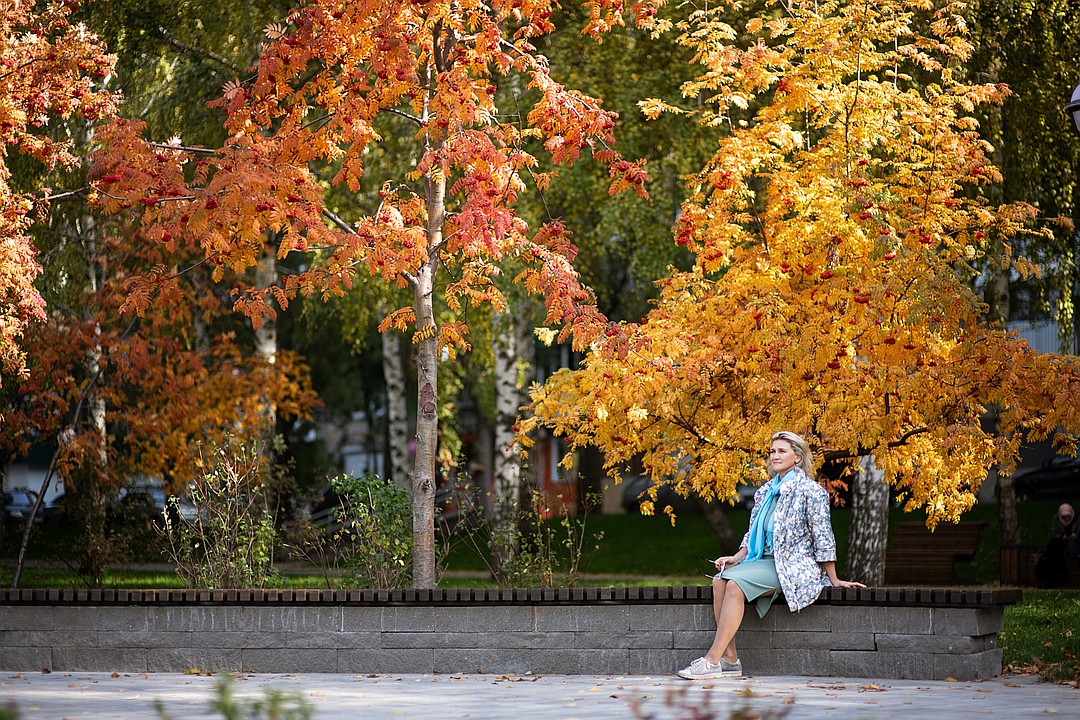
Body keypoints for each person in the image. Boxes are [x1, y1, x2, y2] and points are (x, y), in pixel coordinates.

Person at [678, 431, 866, 680]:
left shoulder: (811, 491)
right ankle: (731, 661)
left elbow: (823, 538)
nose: (775, 456)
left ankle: (712, 660)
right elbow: (752, 533)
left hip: (794, 566)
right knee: (719, 580)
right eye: (772, 451)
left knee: (734, 585)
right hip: (764, 562)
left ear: (798, 458)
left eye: (781, 451)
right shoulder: (766, 491)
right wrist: (735, 558)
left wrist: (833, 578)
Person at [1036, 503, 1077, 587]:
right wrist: (1063, 537)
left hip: (1074, 544)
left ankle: (1053, 576)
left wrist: (1074, 536)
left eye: (1068, 516)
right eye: (1063, 517)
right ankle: (1056, 575)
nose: (1066, 519)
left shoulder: (1078, 520)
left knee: (1054, 548)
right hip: (1060, 543)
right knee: (1055, 545)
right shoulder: (1056, 519)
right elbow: (1056, 533)